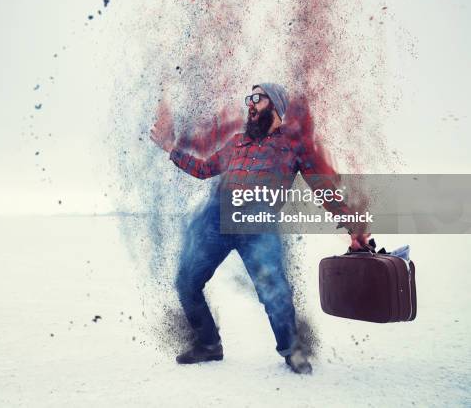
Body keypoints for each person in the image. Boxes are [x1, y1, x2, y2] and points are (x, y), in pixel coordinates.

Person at [150, 83, 370, 374]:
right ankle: (208, 344)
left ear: (276, 106)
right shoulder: (237, 142)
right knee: (186, 282)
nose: (250, 105)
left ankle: (292, 351)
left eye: (257, 98)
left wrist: (352, 225)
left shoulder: (293, 146)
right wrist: (170, 148)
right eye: (248, 99)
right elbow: (203, 169)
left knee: (274, 292)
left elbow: (321, 188)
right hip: (217, 219)